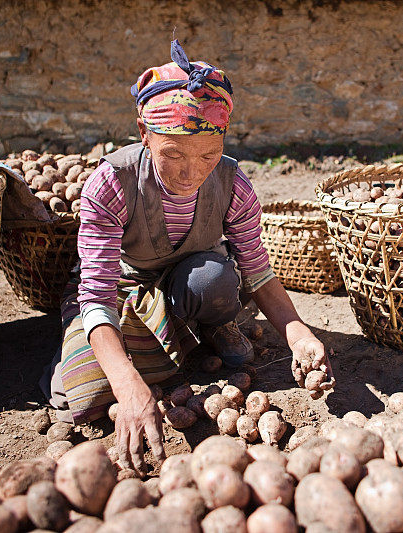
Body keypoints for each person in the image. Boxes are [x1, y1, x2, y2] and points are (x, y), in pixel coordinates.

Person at [41, 40, 334, 474]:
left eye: (208, 155)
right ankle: (170, 344)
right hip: (125, 290)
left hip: (192, 282)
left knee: (215, 279)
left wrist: (298, 335)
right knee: (84, 394)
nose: (191, 172)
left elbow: (256, 270)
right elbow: (97, 296)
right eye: (172, 153)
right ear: (144, 134)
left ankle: (211, 326)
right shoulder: (112, 183)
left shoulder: (234, 184)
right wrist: (129, 388)